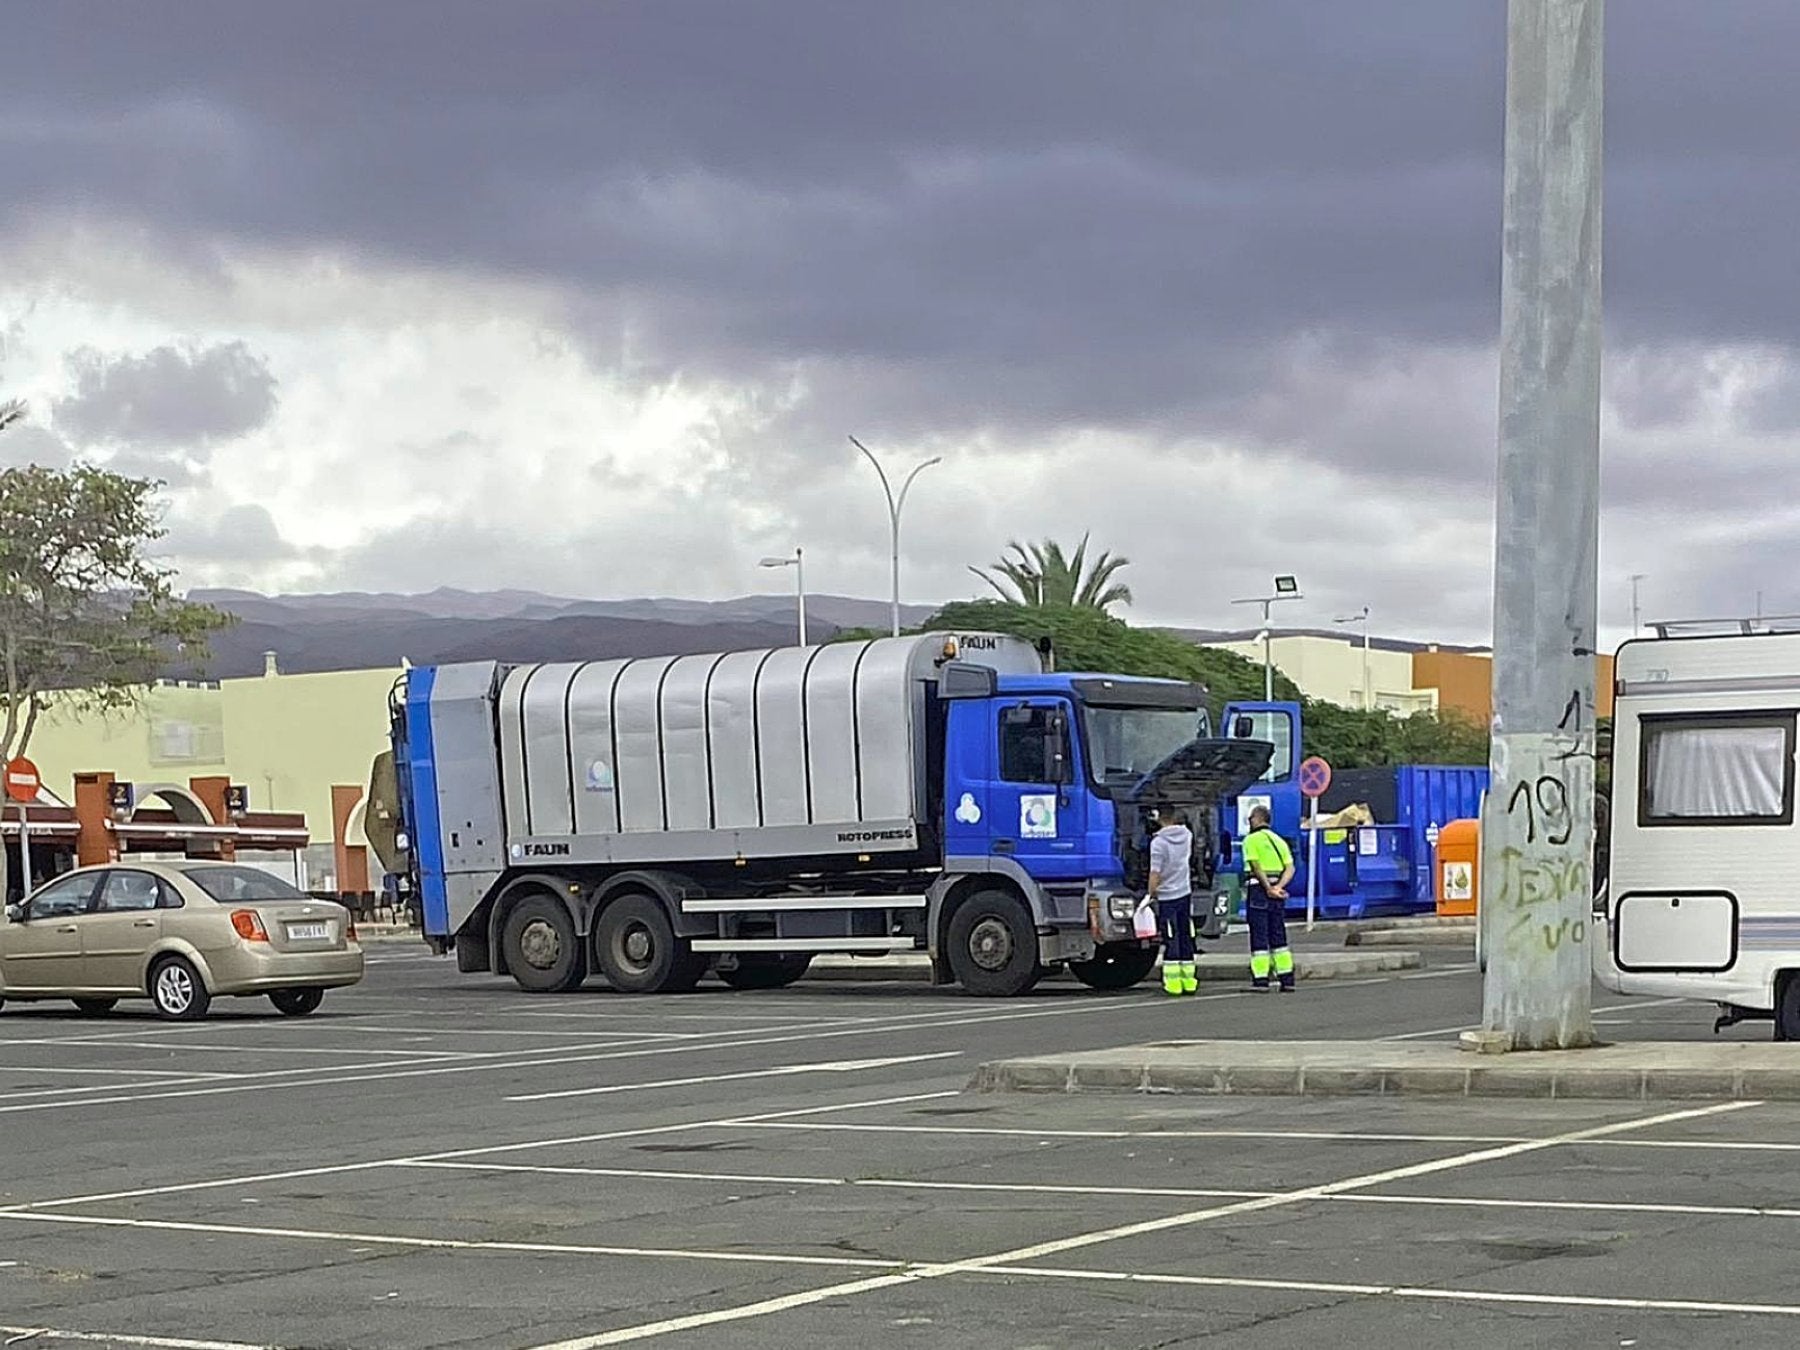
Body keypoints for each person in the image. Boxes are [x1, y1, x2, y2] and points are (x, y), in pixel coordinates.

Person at [1241, 805, 1296, 992]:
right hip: (1277, 894)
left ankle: (1261, 980)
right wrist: (1279, 887)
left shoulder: (1251, 840)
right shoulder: (1278, 840)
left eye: (1250, 819)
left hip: (1258, 891)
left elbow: (1256, 866)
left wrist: (1268, 888)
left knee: (1259, 936)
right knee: (1278, 935)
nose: (1249, 822)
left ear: (1257, 819)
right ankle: (1287, 979)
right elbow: (1290, 868)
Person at [1147, 808, 1196, 996]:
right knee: (1185, 935)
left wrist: (1151, 893)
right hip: (1184, 892)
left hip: (1167, 895)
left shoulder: (1158, 843)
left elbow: (1155, 872)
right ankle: (1189, 980)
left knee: (1170, 936)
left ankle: (1173, 983)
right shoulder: (1187, 835)